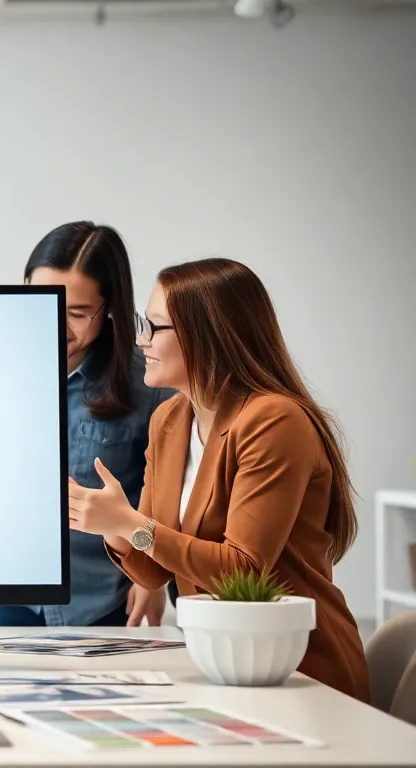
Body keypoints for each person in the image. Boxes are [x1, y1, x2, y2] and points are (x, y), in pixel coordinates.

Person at [69, 257, 368, 700]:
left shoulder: (273, 421)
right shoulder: (170, 419)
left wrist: (131, 524)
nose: (140, 339)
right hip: (223, 664)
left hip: (300, 670)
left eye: (154, 327)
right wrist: (114, 526)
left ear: (204, 336)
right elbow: (152, 572)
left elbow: (242, 569)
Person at [0, 222, 172, 629]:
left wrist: (153, 577)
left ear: (110, 309)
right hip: (7, 591)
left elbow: (167, 506)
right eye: (41, 300)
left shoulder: (150, 387)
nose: (54, 322)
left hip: (105, 602)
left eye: (77, 313)